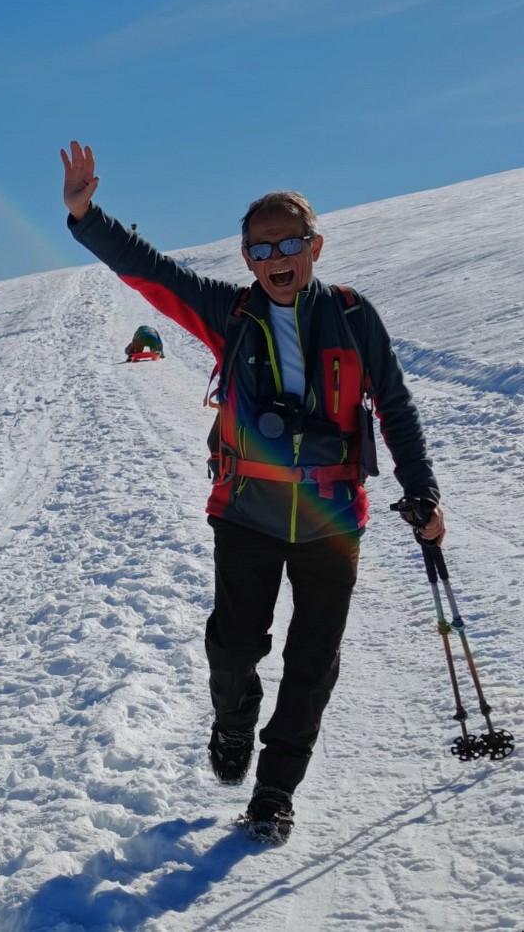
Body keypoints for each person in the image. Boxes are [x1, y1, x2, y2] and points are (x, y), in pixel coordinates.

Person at [60, 139, 444, 842]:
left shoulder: (356, 317)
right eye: (261, 250)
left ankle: (275, 790)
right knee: (234, 648)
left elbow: (395, 404)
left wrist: (422, 490)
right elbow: (152, 273)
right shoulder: (229, 314)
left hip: (333, 516)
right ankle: (232, 723)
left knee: (312, 662)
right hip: (247, 510)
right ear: (246, 258)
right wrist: (88, 216)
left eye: (288, 244)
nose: (276, 260)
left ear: (314, 246)